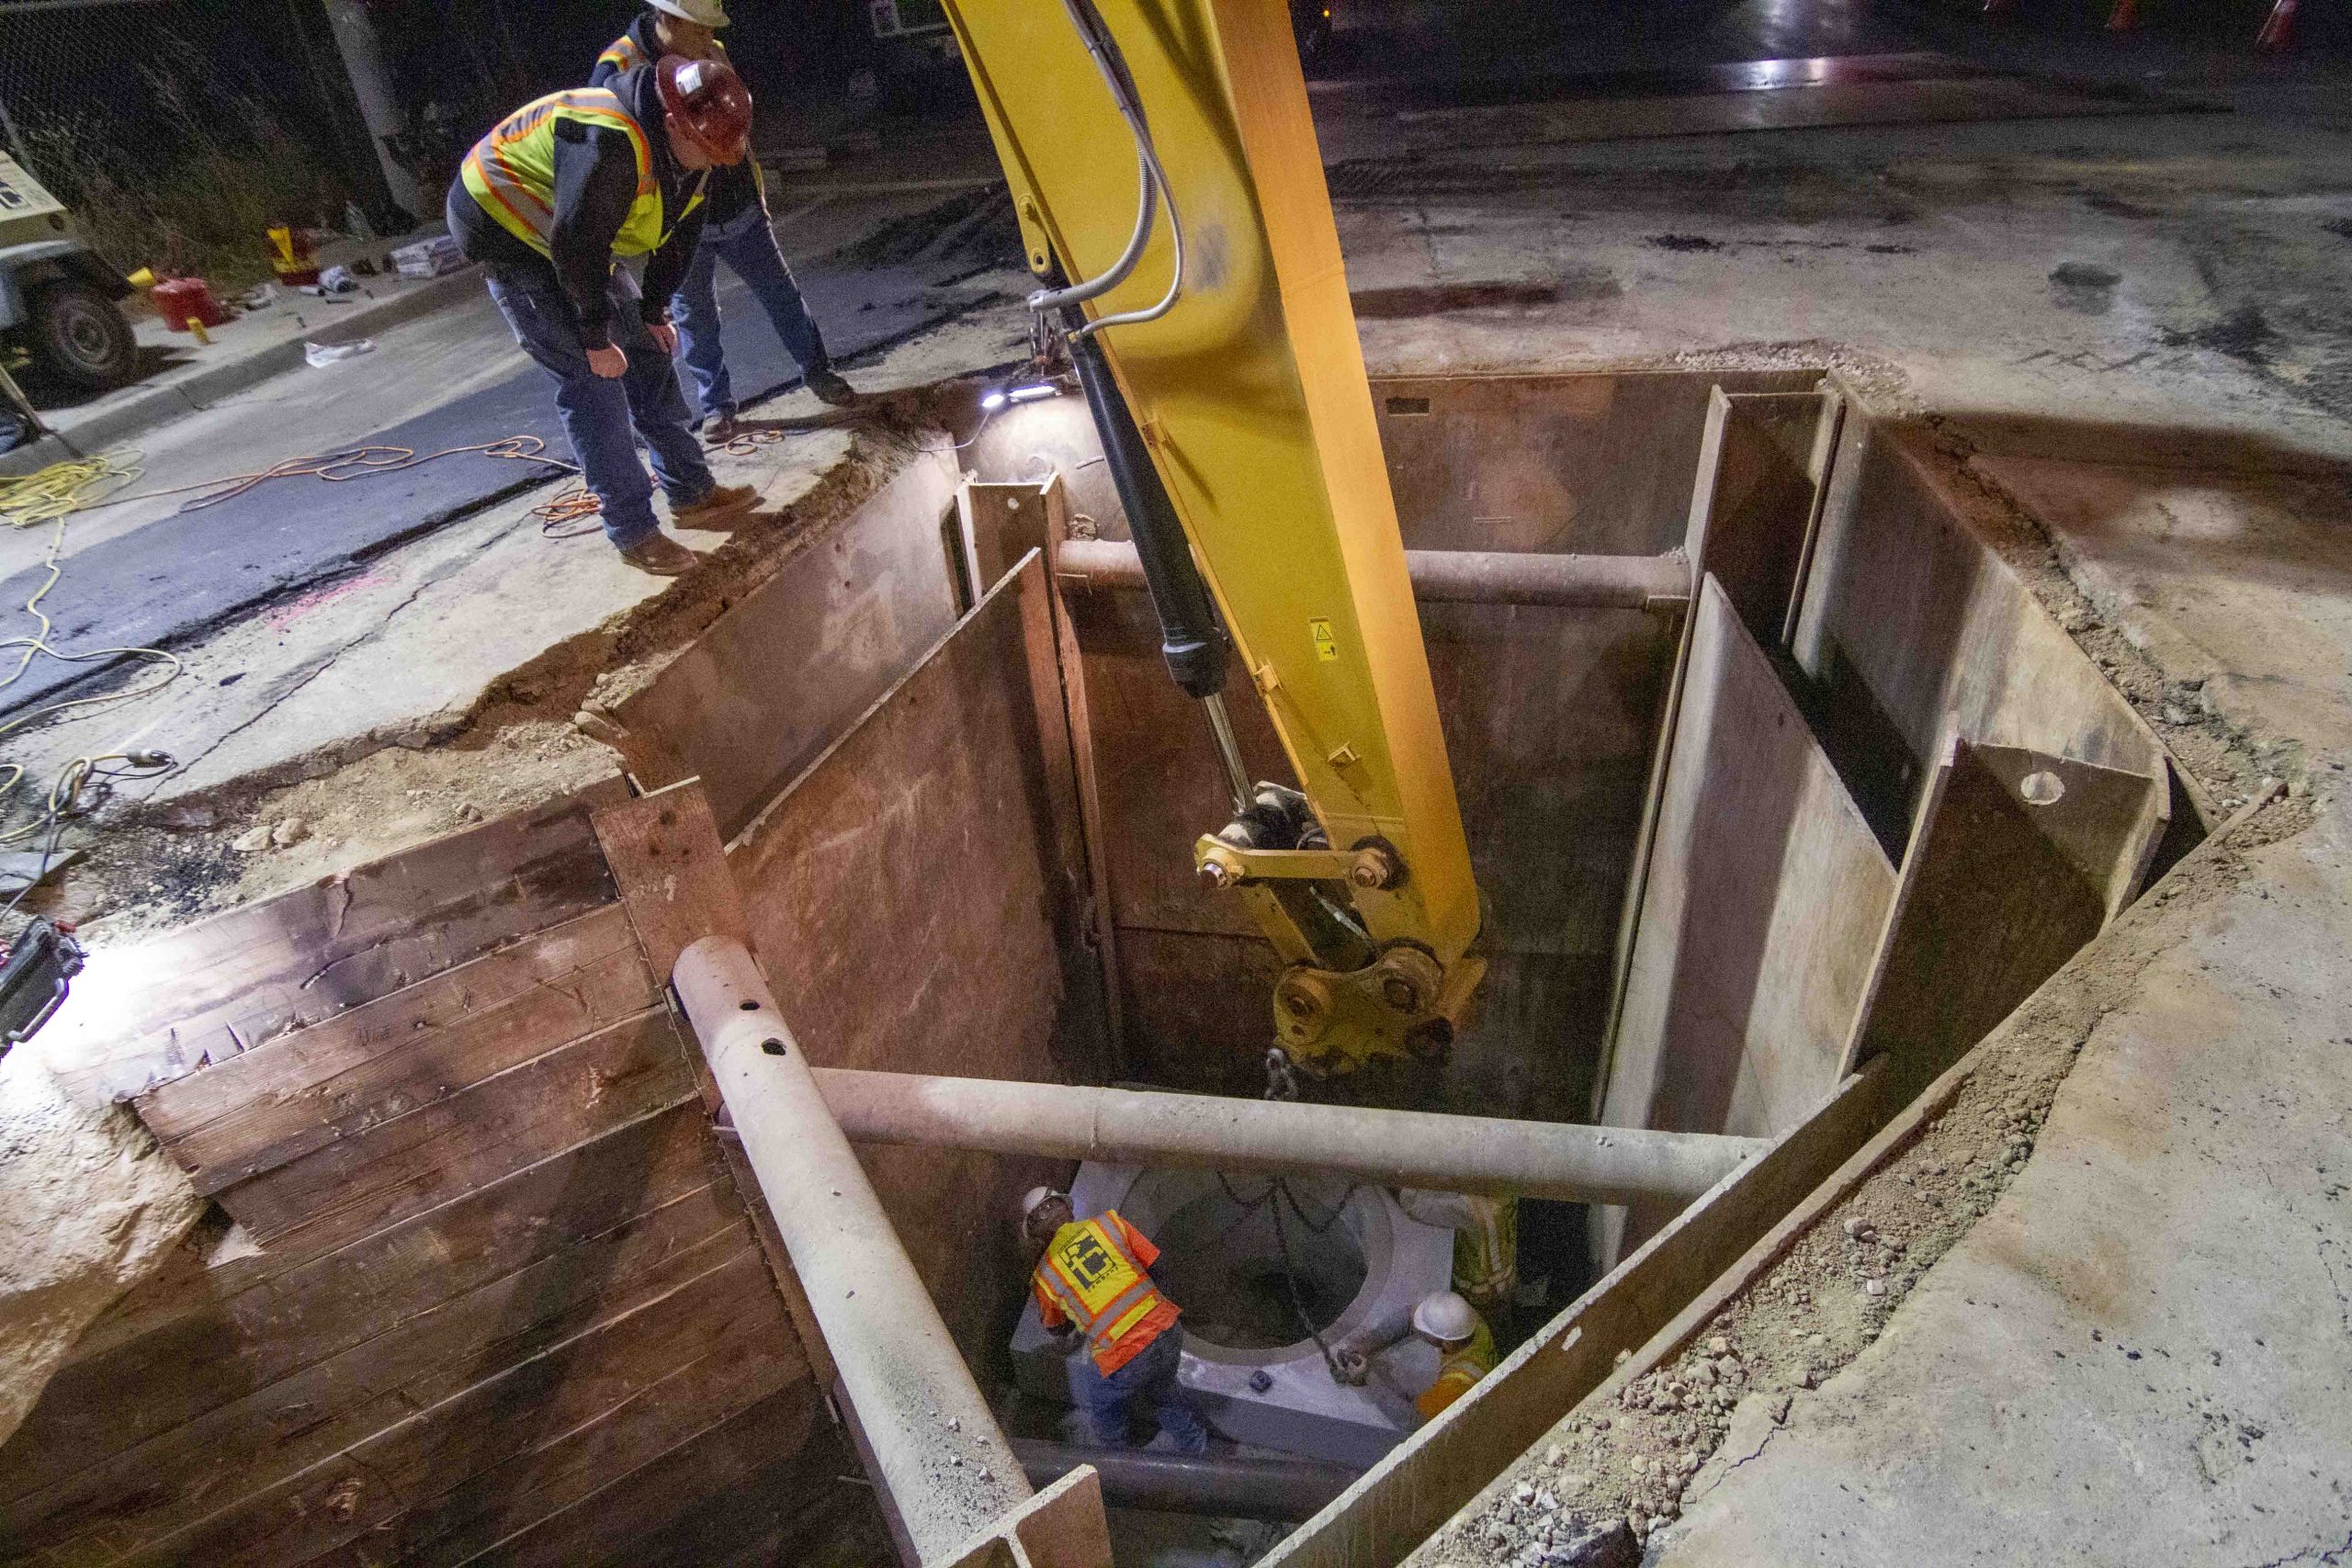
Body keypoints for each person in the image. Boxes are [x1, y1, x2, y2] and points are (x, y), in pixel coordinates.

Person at [448, 56, 758, 575]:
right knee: (592, 383)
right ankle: (634, 532)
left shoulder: (692, 155)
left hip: (574, 234)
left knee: (648, 350)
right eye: (704, 151)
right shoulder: (609, 144)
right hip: (508, 229)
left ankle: (690, 491)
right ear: (671, 124)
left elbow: (679, 236)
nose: (711, 163)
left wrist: (654, 310)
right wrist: (594, 337)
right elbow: (575, 245)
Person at [593, 1, 856, 438]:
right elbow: (613, 148)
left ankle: (818, 372)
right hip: (679, 218)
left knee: (781, 296)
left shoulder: (709, 50)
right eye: (699, 30)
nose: (707, 42)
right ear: (669, 22)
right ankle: (717, 407)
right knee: (694, 315)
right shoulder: (617, 67)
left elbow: (735, 124)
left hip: (736, 205)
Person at [1022, 1186, 1210, 1454]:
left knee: (1102, 1405)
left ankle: (1118, 1462)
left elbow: (1057, 1328)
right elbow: (1158, 1266)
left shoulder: (1046, 1275)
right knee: (1164, 1391)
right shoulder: (1110, 1224)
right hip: (1167, 1330)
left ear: (1037, 1234)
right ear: (1068, 1209)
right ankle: (1196, 1446)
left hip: (1123, 1354)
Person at [1409, 1289, 1496, 1421]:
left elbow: (1413, 1417)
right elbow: (1409, 1314)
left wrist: (1371, 1377)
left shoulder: (1455, 1384)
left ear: (1447, 1345)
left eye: (1427, 1334)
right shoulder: (1467, 1320)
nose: (1421, 1333)